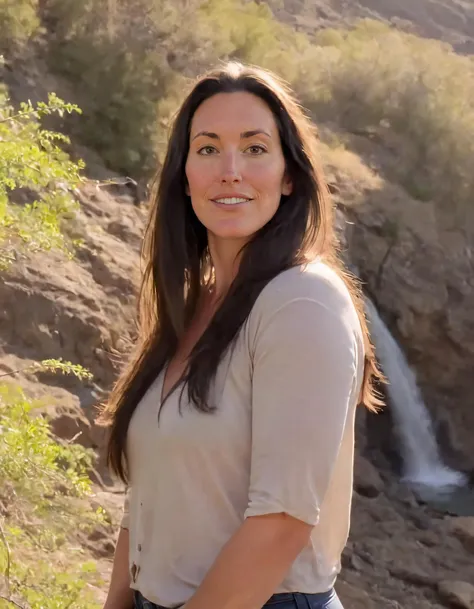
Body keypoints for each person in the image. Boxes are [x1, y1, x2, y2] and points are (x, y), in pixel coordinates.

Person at [98, 61, 383, 609]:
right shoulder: (192, 304)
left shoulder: (303, 301)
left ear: (289, 173)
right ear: (185, 175)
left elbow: (280, 525)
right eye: (207, 149)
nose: (230, 170)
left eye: (254, 149)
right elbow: (146, 506)